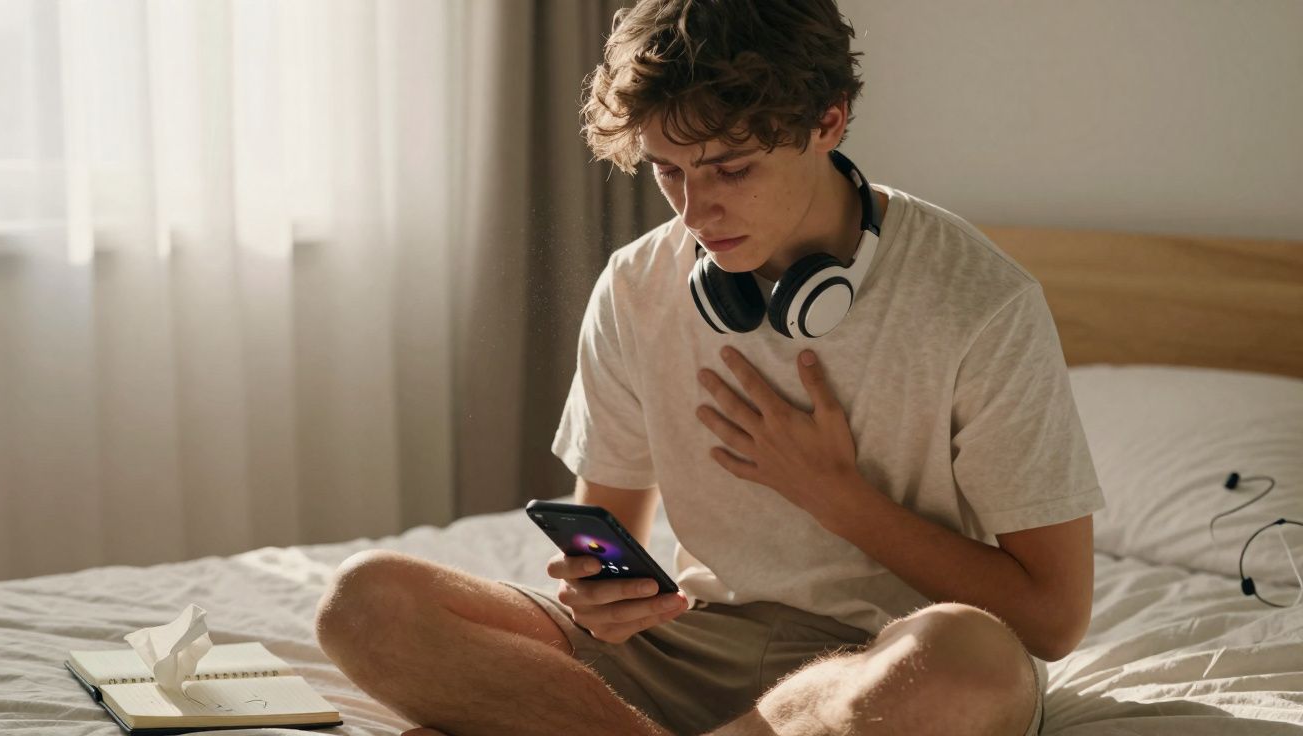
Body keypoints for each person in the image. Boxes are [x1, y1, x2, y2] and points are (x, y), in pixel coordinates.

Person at [314, 1, 1106, 734]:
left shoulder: (981, 302)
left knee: (969, 664)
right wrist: (606, 597)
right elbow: (612, 534)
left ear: (828, 122)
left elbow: (1051, 619)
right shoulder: (638, 283)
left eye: (732, 169)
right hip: (690, 644)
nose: (695, 213)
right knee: (365, 602)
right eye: (668, 171)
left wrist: (838, 497)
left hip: (888, 659)